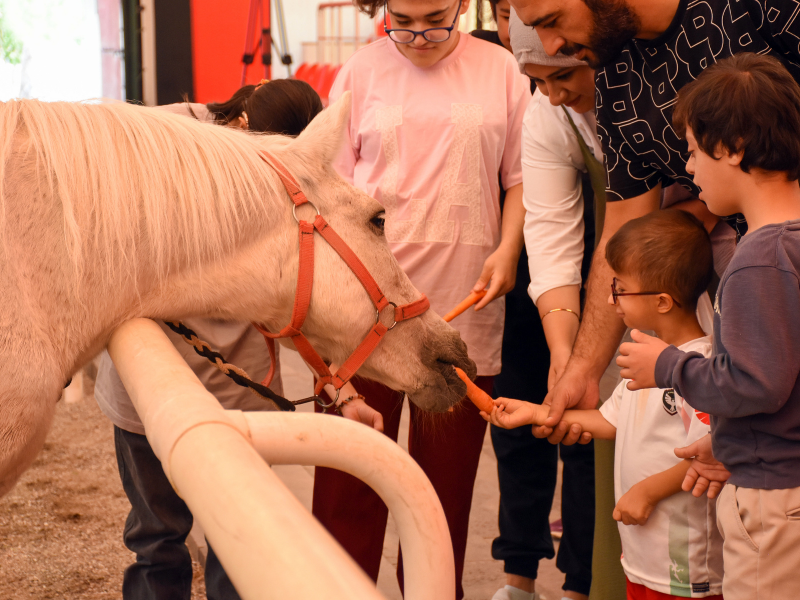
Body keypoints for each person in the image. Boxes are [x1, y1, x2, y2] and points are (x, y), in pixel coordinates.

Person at [93, 79, 377, 600]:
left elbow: (299, 298)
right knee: (156, 539)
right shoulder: (158, 137)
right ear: (245, 126)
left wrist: (343, 387)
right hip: (144, 383)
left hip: (240, 388)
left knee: (237, 539)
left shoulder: (289, 178)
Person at [507, 0, 800, 453]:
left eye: (551, 21)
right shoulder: (614, 73)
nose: (552, 46)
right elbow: (624, 230)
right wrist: (581, 371)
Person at [309, 1, 531, 598]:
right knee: (348, 487)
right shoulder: (359, 71)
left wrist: (509, 248)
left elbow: (519, 179)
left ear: (463, 5)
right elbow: (328, 197)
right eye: (401, 19)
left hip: (462, 307)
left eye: (435, 16)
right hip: (361, 316)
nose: (417, 35)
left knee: (440, 501)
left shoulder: (501, 70)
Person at [620, 53, 800, 600]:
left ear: (733, 148)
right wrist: (727, 442)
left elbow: (755, 383)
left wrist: (668, 366)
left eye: (695, 152)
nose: (690, 169)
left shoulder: (758, 258)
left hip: (771, 504)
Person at [487, 209, 724, 600]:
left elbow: (711, 451)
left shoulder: (699, 368)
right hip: (640, 557)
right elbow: (610, 420)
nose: (611, 299)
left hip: (687, 565)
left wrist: (647, 491)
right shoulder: (642, 353)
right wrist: (534, 412)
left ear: (663, 301)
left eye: (620, 288)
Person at [485, 13, 599, 600]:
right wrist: (565, 350)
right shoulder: (545, 110)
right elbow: (551, 228)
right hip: (549, 291)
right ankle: (519, 576)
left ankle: (583, 582)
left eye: (561, 76)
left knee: (593, 442)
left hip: (640, 273)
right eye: (539, 81)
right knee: (546, 410)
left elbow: (625, 226)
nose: (551, 95)